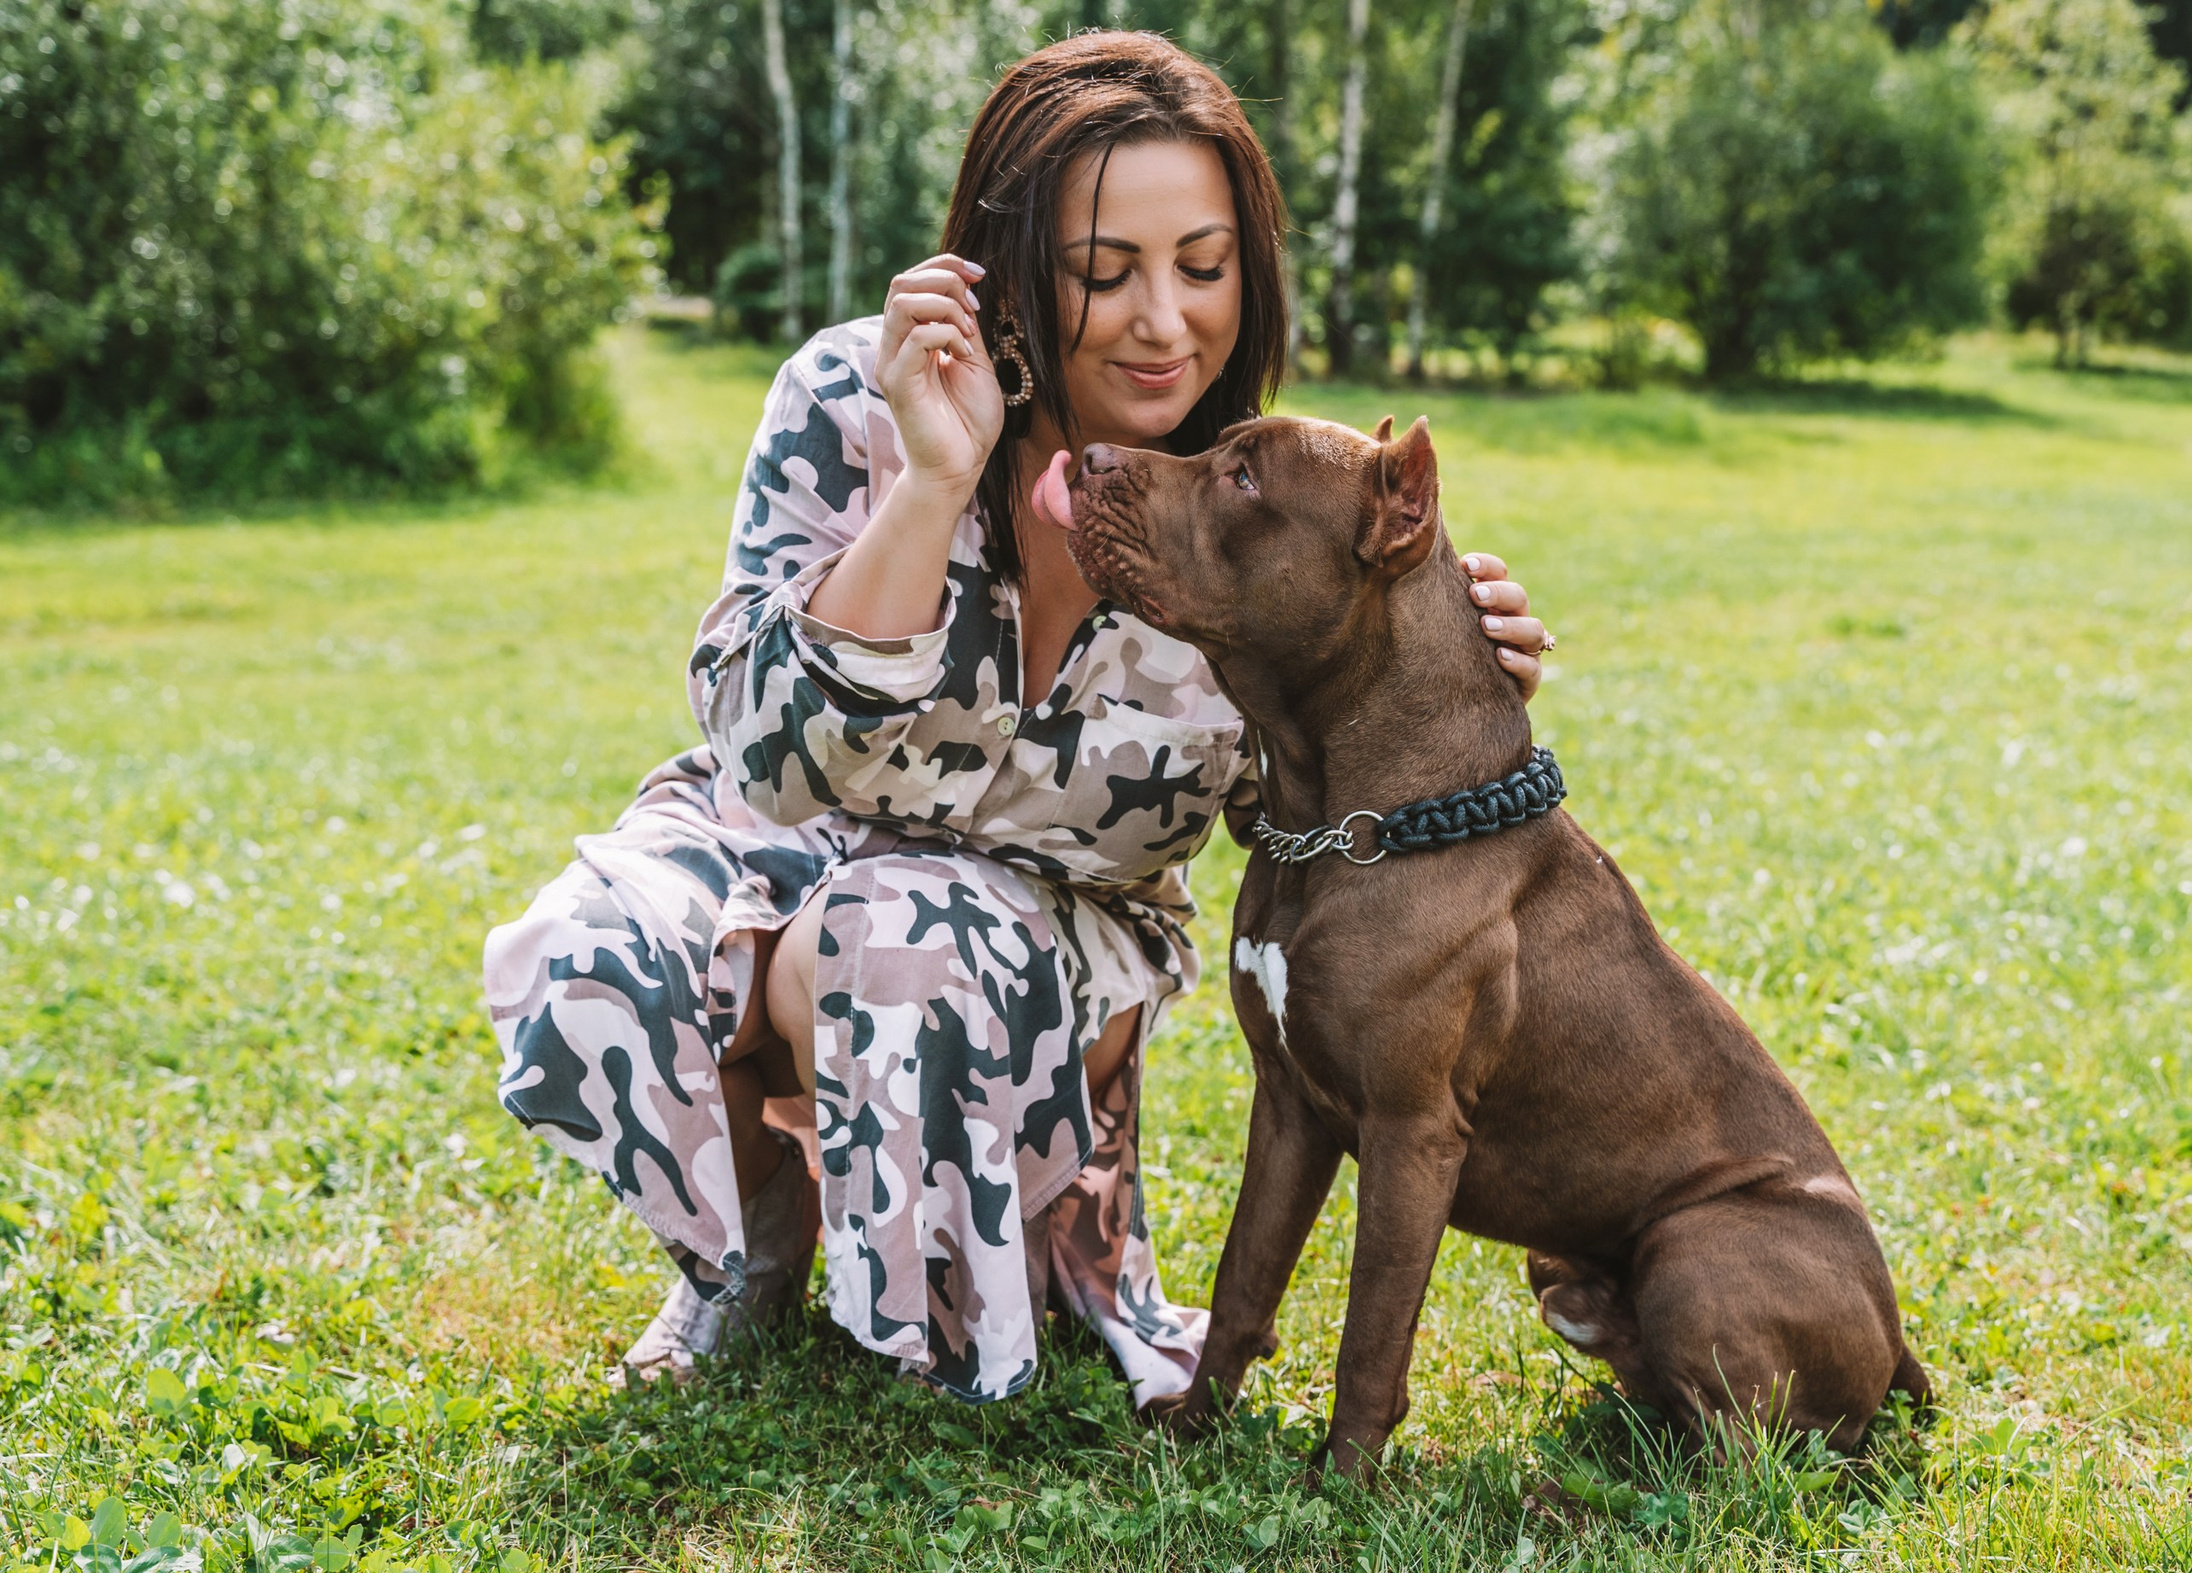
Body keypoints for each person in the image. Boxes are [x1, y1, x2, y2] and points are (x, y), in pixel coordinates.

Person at [482, 32, 1551, 1408]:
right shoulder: (851, 402)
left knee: (900, 931)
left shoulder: (1271, 529)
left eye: (1205, 267)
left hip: (1034, 945)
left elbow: (1329, 812)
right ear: (1006, 261)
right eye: (1105, 272)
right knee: (594, 944)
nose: (1165, 319)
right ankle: (756, 1245)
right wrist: (937, 480)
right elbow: (762, 755)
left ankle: (986, 1235)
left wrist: (1449, 676)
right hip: (787, 851)